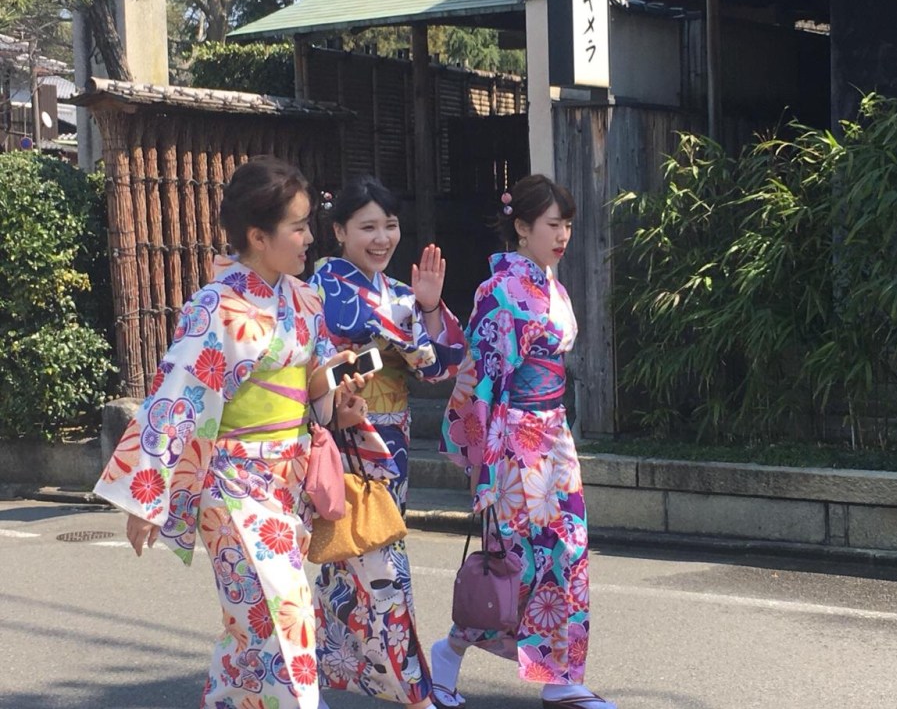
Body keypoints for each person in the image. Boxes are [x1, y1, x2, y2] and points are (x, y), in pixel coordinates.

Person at [94, 156, 370, 709]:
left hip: (287, 480)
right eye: (298, 227)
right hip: (233, 486)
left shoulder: (303, 299)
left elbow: (311, 386)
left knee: (253, 630)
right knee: (287, 614)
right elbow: (175, 397)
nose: (309, 238)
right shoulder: (216, 307)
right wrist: (147, 499)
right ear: (258, 236)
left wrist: (335, 397)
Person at [434, 175, 616, 709]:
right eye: (553, 225)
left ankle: (561, 676)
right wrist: (484, 464)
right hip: (514, 437)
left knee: (569, 550)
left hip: (554, 433)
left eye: (568, 226)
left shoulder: (551, 285)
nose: (562, 236)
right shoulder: (498, 292)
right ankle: (449, 653)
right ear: (521, 227)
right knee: (517, 559)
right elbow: (483, 381)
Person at [308, 176, 465, 709]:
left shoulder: (399, 292)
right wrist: (394, 343)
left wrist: (428, 308)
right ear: (339, 231)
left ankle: (311, 677)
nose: (382, 239)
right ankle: (416, 692)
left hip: (392, 441)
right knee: (380, 565)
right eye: (367, 227)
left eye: (390, 226)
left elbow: (439, 368)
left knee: (347, 563)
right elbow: (327, 363)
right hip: (349, 436)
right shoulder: (324, 286)